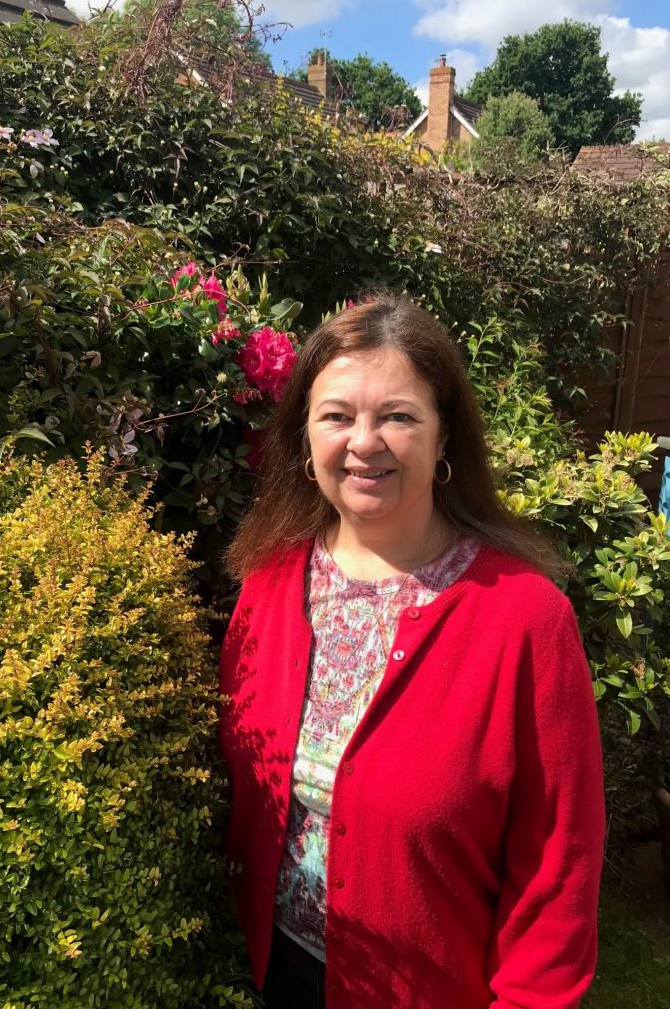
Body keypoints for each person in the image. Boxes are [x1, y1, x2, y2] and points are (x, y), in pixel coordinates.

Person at [219, 295, 605, 1009]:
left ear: (444, 435)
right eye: (337, 415)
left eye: (398, 415)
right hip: (274, 974)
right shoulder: (268, 583)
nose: (364, 442)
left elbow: (558, 865)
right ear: (304, 435)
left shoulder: (524, 618)